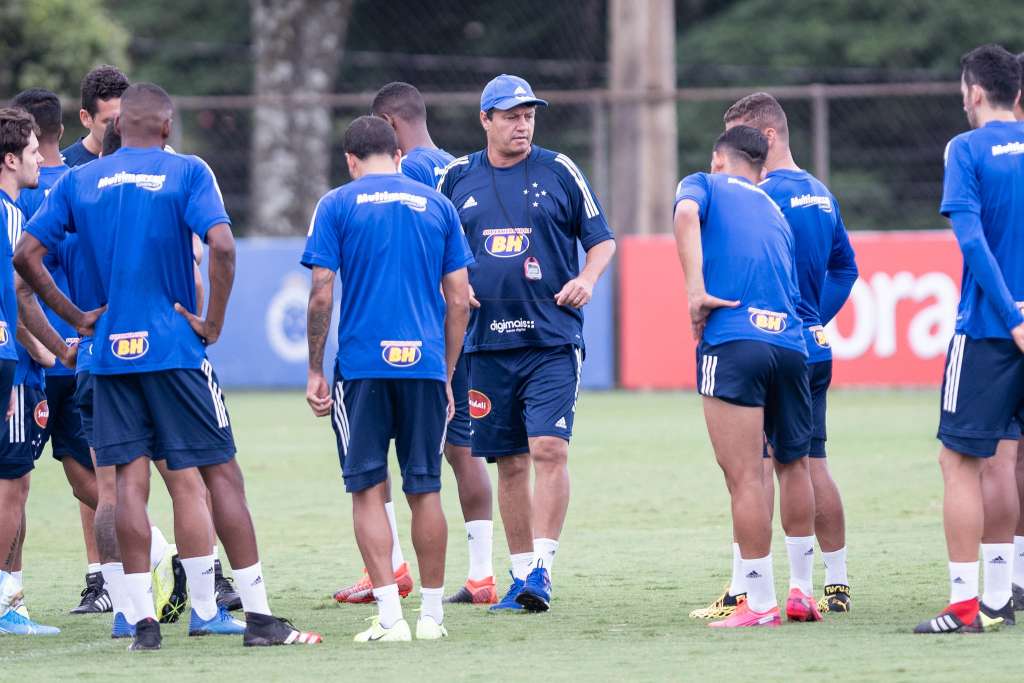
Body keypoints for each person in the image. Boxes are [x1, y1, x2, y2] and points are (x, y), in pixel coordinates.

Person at [16, 83, 320, 650]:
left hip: (109, 359)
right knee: (219, 476)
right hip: (175, 352)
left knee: (125, 486)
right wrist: (213, 323)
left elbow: (25, 257)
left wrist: (78, 319)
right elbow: (223, 247)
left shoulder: (82, 180)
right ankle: (256, 616)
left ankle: (142, 625)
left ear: (114, 127)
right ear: (167, 125)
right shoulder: (187, 173)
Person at [436, 74, 615, 612]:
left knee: (548, 449)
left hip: (552, 338)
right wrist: (454, 287)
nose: (523, 124)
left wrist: (588, 278)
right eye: (511, 115)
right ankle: (517, 578)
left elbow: (602, 240)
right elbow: (436, 250)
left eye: (529, 114)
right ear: (485, 120)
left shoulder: (559, 170)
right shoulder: (456, 178)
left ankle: (541, 570)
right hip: (484, 346)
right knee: (509, 461)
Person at [690, 92, 859, 619]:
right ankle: (827, 582)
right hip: (806, 342)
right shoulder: (820, 193)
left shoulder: (755, 194)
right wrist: (813, 318)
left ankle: (748, 590)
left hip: (758, 336)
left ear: (762, 140)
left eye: (738, 137)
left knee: (751, 472)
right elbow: (845, 269)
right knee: (811, 462)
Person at [304, 115, 472, 641]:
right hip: (423, 366)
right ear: (399, 155)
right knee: (426, 490)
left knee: (368, 492)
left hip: (362, 368)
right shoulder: (437, 205)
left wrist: (314, 367)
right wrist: (445, 375)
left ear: (350, 160)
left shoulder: (336, 204)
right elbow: (460, 300)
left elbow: (322, 293)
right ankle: (432, 618)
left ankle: (390, 616)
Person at [329, 81, 496, 607]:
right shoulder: (458, 163)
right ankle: (483, 572)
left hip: (407, 335)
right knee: (461, 448)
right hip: (450, 330)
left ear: (392, 133)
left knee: (374, 463)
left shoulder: (412, 173)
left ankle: (393, 568)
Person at [674, 125, 814, 628]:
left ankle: (757, 602)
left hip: (735, 341)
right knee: (793, 465)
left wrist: (695, 291)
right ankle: (802, 590)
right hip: (790, 346)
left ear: (718, 159)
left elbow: (686, 214)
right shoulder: (774, 208)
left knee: (745, 476)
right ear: (762, 165)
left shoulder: (703, 185)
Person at [915, 44, 1024, 634]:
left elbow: (973, 243)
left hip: (989, 330)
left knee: (959, 461)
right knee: (1006, 460)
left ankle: (966, 605)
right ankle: (1004, 594)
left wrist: (1011, 317)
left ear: (975, 92)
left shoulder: (967, 149)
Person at [11, 87, 119, 616]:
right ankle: (161, 560)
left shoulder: (20, 198)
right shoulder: (83, 187)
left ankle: (15, 596)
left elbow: (20, 280)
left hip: (36, 355)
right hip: (82, 351)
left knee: (16, 483)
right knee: (90, 476)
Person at [0, 107, 60, 636]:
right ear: (10, 158)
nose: (42, 156)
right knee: (12, 482)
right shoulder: (12, 216)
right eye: (34, 148)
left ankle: (10, 600)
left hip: (15, 364)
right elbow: (13, 299)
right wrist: (46, 353)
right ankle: (3, 604)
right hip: (12, 369)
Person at [61, 65, 129, 168]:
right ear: (85, 118)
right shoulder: (65, 168)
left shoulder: (144, 161)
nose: (119, 128)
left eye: (123, 119)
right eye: (109, 122)